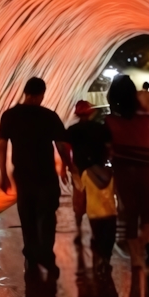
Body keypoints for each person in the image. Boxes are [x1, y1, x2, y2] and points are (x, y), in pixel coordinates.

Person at [0, 77, 75, 270]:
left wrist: (3, 175)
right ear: (41, 94)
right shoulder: (49, 116)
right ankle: (45, 253)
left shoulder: (10, 115)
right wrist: (69, 166)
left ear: (26, 92)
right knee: (47, 213)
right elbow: (61, 146)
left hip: (22, 173)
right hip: (45, 173)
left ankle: (31, 253)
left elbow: (2, 147)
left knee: (27, 213)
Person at [105, 75, 149, 266]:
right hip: (146, 168)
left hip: (123, 170)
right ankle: (144, 242)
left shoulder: (109, 121)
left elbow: (107, 148)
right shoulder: (145, 119)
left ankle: (136, 260)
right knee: (147, 212)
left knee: (129, 213)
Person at [66, 100, 110, 237]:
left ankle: (78, 226)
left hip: (79, 167)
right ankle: (96, 230)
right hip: (96, 167)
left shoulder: (72, 131)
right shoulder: (100, 129)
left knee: (79, 199)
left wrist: (69, 166)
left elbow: (66, 148)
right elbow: (108, 147)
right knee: (95, 198)